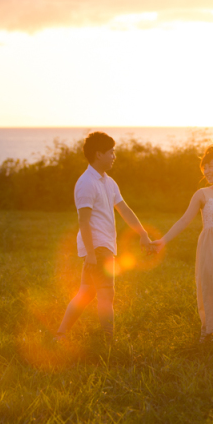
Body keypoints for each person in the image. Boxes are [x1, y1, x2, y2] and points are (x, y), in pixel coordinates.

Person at [54, 131, 152, 342]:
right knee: (107, 294)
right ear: (98, 154)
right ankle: (109, 342)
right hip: (97, 247)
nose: (114, 156)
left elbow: (124, 209)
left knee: (86, 293)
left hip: (103, 246)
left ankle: (61, 334)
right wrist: (90, 253)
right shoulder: (86, 183)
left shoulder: (109, 182)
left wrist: (142, 233)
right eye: (111, 152)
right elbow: (83, 221)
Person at [152, 145, 213, 341]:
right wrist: (163, 241)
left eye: (210, 166)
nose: (206, 171)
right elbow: (184, 220)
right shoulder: (202, 194)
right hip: (211, 248)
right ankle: (210, 331)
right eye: (204, 168)